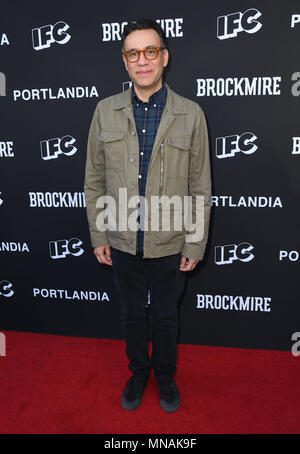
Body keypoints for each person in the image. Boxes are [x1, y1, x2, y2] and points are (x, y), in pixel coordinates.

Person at [84, 18, 211, 413]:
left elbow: (200, 187)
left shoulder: (190, 114)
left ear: (164, 57)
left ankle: (166, 376)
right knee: (132, 316)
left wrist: (195, 240)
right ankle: (138, 372)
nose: (143, 61)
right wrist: (99, 234)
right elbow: (94, 179)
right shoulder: (105, 111)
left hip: (171, 240)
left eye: (150, 51)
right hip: (122, 239)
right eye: (133, 53)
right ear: (125, 62)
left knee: (166, 318)